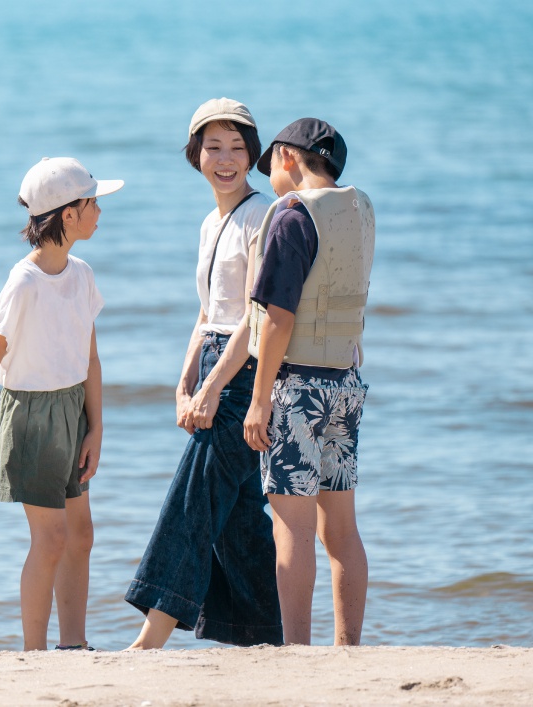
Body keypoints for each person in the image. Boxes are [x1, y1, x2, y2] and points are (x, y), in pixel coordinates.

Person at [125, 98, 283, 649]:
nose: (225, 159)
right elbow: (206, 312)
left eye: (238, 148)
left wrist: (213, 389)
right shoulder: (210, 221)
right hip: (215, 361)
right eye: (214, 147)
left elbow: (254, 316)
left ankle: (151, 637)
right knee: (238, 516)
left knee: (193, 499)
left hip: (244, 371)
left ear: (253, 156)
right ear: (196, 155)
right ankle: (265, 636)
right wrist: (184, 380)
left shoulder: (260, 215)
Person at [0, 157, 123, 651]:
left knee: (81, 536)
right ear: (68, 215)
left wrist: (95, 428)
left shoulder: (81, 274)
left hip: (72, 410)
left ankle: (73, 645)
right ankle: (33, 653)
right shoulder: (24, 282)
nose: (99, 210)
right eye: (92, 202)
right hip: (31, 417)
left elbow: (91, 357)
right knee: (51, 539)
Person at [243, 118, 375, 645]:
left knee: (291, 528)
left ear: (288, 158)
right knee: (341, 528)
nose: (271, 180)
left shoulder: (293, 217)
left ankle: (297, 649)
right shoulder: (360, 209)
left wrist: (258, 401)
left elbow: (278, 316)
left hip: (296, 390)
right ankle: (348, 648)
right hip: (345, 382)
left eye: (270, 167)